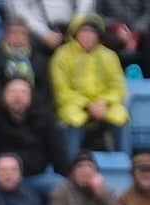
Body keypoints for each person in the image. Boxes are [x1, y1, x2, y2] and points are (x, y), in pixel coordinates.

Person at [51, 13, 131, 157]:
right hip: (75, 105)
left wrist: (105, 102)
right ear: (75, 33)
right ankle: (70, 164)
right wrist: (87, 104)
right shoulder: (61, 56)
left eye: (92, 32)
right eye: (84, 31)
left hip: (104, 105)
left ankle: (124, 162)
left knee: (121, 117)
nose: (88, 36)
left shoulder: (109, 56)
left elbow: (118, 87)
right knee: (72, 120)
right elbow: (61, 90)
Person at [0, 76, 66, 191]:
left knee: (61, 187)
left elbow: (57, 152)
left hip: (35, 177)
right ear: (3, 95)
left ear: (31, 97)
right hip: (2, 177)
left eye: (23, 92)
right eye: (12, 92)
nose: (18, 96)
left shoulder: (44, 117)